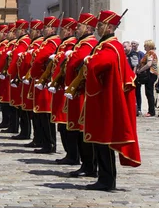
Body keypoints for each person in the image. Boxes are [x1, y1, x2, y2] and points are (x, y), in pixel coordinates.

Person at [80, 10, 141, 191]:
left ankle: (106, 180)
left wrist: (90, 60)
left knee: (103, 140)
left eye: (100, 25)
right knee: (100, 140)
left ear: (110, 27)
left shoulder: (111, 46)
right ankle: (104, 178)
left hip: (105, 100)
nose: (97, 27)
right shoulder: (106, 44)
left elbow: (102, 63)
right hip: (102, 98)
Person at [64, 12, 99, 178]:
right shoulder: (81, 43)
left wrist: (71, 56)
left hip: (82, 92)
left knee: (82, 130)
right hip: (76, 91)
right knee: (77, 130)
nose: (76, 29)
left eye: (79, 26)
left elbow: (78, 61)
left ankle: (89, 165)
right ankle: (85, 163)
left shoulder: (88, 43)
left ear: (88, 28)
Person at [48, 17, 78, 165]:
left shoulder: (72, 43)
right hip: (60, 86)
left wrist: (58, 56)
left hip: (66, 87)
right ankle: (69, 153)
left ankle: (73, 155)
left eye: (64, 29)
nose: (61, 31)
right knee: (62, 124)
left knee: (65, 123)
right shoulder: (64, 43)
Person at [31, 16, 61, 154]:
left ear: (53, 29)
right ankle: (43, 141)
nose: (44, 29)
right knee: (40, 114)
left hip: (45, 82)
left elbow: (40, 58)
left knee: (46, 115)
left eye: (46, 27)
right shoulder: (47, 41)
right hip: (39, 81)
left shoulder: (53, 42)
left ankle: (50, 144)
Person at [137, 40, 159, 117]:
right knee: (148, 92)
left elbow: (149, 64)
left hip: (150, 74)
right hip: (150, 74)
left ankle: (151, 111)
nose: (144, 46)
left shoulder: (150, 53)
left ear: (149, 46)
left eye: (145, 45)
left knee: (149, 93)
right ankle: (151, 110)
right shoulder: (149, 53)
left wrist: (140, 70)